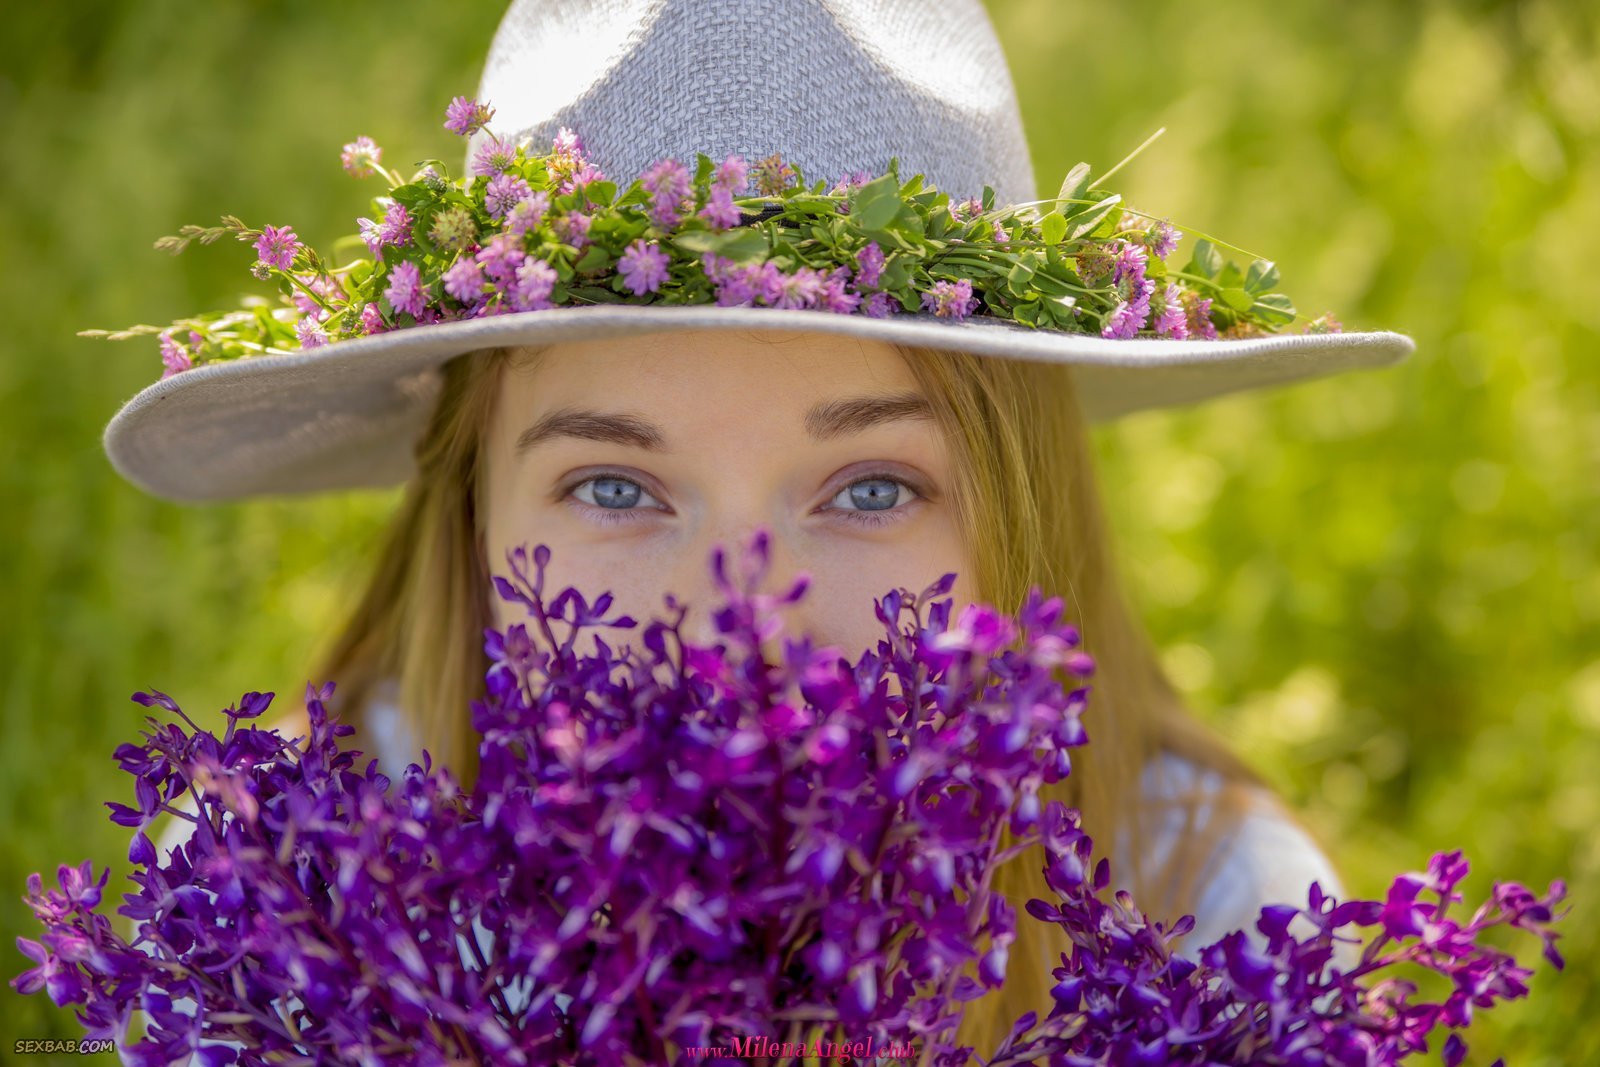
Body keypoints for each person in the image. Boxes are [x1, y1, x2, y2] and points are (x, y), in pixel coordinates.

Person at [122, 0, 1414, 1057]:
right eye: (615, 488)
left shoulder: (1218, 915)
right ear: (470, 518)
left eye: (870, 489)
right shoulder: (281, 892)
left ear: (1018, 513)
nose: (733, 627)